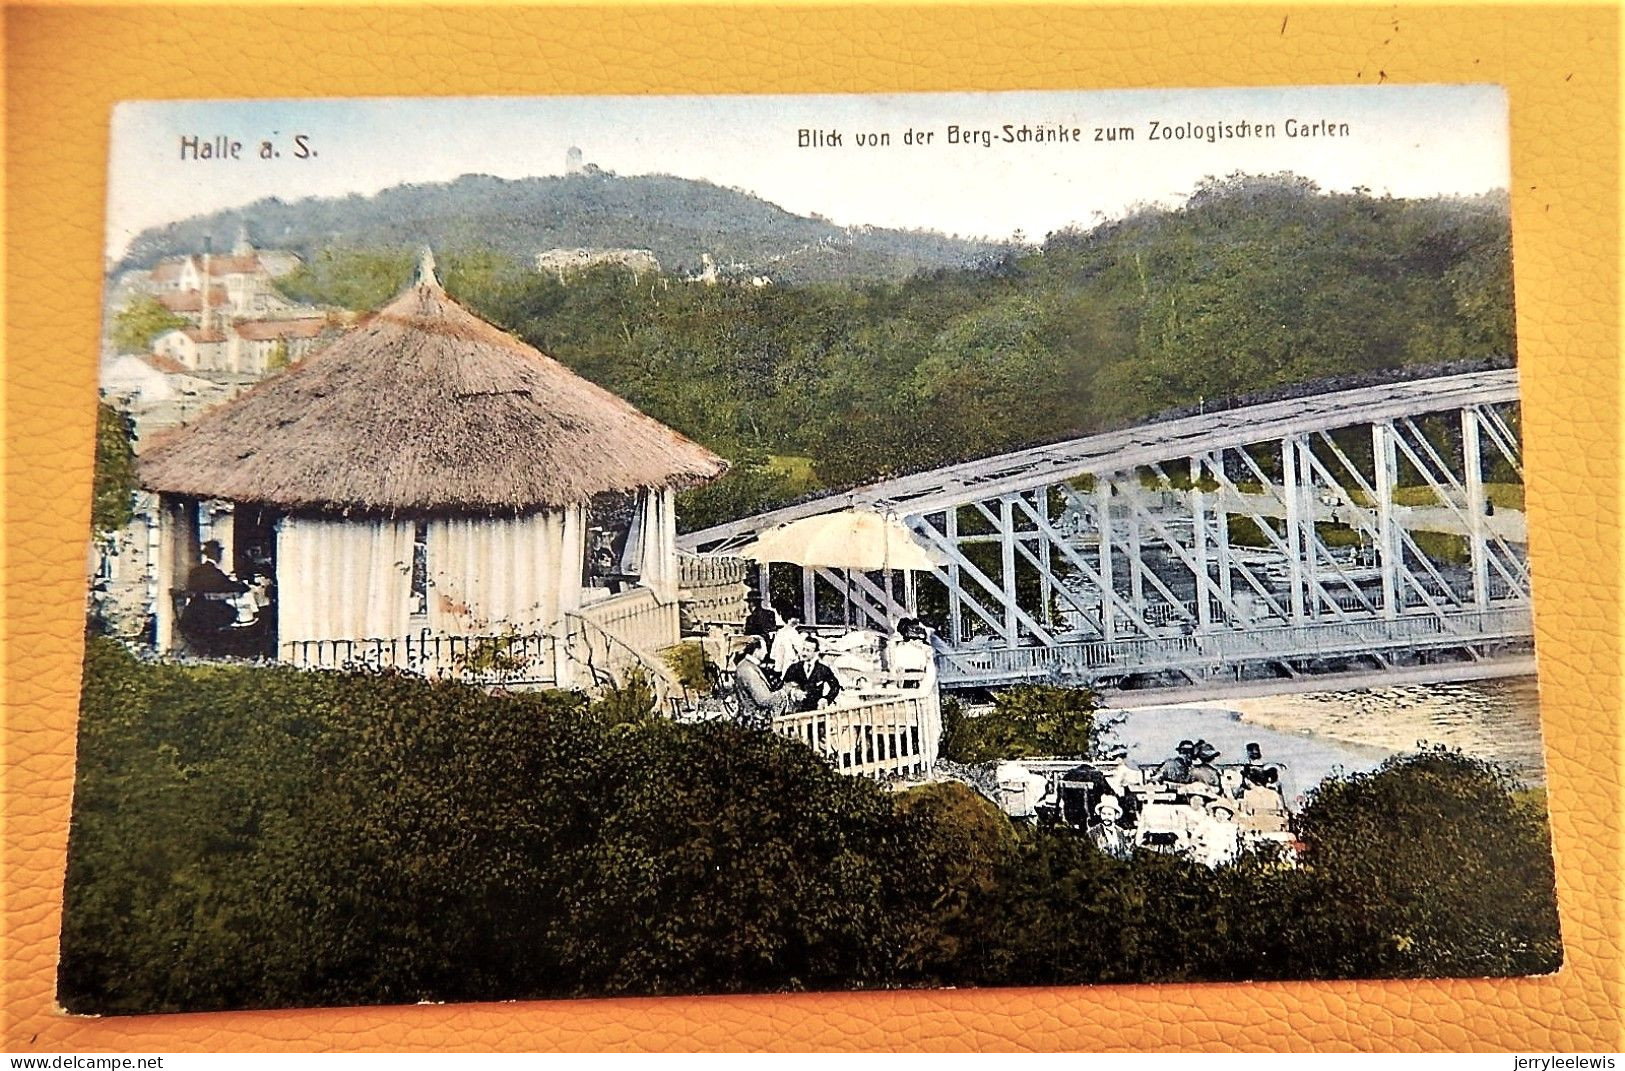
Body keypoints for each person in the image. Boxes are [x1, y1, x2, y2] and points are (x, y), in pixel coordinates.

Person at [731, 636, 799, 730]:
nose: (766, 652)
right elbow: (763, 699)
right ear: (756, 650)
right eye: (764, 649)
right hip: (754, 723)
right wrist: (784, 692)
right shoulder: (748, 669)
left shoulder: (748, 666)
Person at [780, 636, 842, 712]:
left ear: (816, 653)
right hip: (795, 713)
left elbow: (835, 686)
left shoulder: (823, 669)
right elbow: (782, 687)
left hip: (816, 713)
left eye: (808, 650)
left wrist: (826, 699)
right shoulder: (794, 668)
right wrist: (793, 692)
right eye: (803, 649)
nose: (804, 653)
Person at [1089, 796, 1134, 861]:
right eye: (1103, 814)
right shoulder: (1093, 832)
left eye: (1109, 814)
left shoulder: (1120, 831)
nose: (1106, 817)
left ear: (1116, 815)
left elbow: (1124, 852)